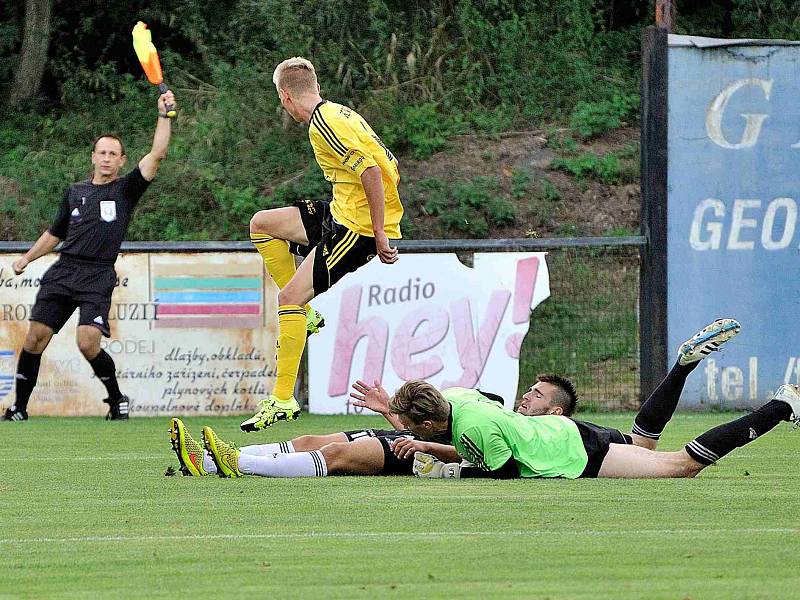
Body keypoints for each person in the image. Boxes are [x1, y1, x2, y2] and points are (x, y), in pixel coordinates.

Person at [169, 319, 745, 479]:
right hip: (420, 442)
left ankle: (236, 462)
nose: (528, 398)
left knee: (645, 443)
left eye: (539, 397)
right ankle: (228, 459)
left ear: (559, 412)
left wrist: (408, 432)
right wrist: (396, 416)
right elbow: (447, 422)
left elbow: (466, 446)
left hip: (420, 448)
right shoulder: (485, 408)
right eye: (529, 390)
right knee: (315, 441)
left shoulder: (556, 429)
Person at [240, 56, 403, 432]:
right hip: (341, 211)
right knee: (262, 225)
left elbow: (373, 172)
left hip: (356, 230)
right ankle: (306, 316)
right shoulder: (339, 112)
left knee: (289, 300)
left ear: (285, 97)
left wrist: (379, 231)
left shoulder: (323, 125)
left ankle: (282, 399)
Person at [1, 91, 176, 422]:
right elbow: (55, 234)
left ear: (122, 160)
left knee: (88, 342)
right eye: (102, 152)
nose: (107, 158)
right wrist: (27, 259)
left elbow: (157, 154)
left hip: (97, 275)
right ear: (93, 157)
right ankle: (19, 409)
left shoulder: (125, 190)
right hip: (64, 270)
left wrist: (164, 116)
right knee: (35, 338)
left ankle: (116, 399)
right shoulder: (75, 192)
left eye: (114, 153)